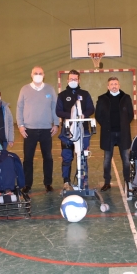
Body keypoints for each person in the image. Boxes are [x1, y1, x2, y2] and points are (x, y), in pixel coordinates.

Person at [16, 66, 59, 194]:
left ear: (44, 75)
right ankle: (27, 184)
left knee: (48, 158)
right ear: (31, 74)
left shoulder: (50, 89)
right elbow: (19, 108)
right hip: (29, 130)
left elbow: (54, 107)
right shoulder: (24, 89)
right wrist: (20, 125)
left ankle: (48, 183)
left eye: (40, 73)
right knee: (28, 159)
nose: (38, 75)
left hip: (47, 130)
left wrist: (56, 124)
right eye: (36, 73)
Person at [56, 70, 95, 190]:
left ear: (79, 80)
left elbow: (91, 109)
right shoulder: (62, 95)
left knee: (82, 156)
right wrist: (72, 115)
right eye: (71, 79)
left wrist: (82, 115)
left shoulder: (85, 94)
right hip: (67, 132)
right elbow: (58, 111)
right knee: (67, 157)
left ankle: (83, 181)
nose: (73, 81)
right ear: (67, 80)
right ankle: (66, 182)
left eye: (75, 79)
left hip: (83, 131)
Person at [95, 76, 133, 192]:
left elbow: (130, 115)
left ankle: (128, 181)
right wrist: (106, 126)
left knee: (126, 159)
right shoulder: (102, 99)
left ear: (119, 85)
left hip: (123, 134)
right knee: (107, 159)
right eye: (111, 84)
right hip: (108, 134)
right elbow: (98, 115)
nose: (114, 86)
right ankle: (107, 182)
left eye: (116, 84)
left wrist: (124, 125)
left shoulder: (126, 98)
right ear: (108, 86)